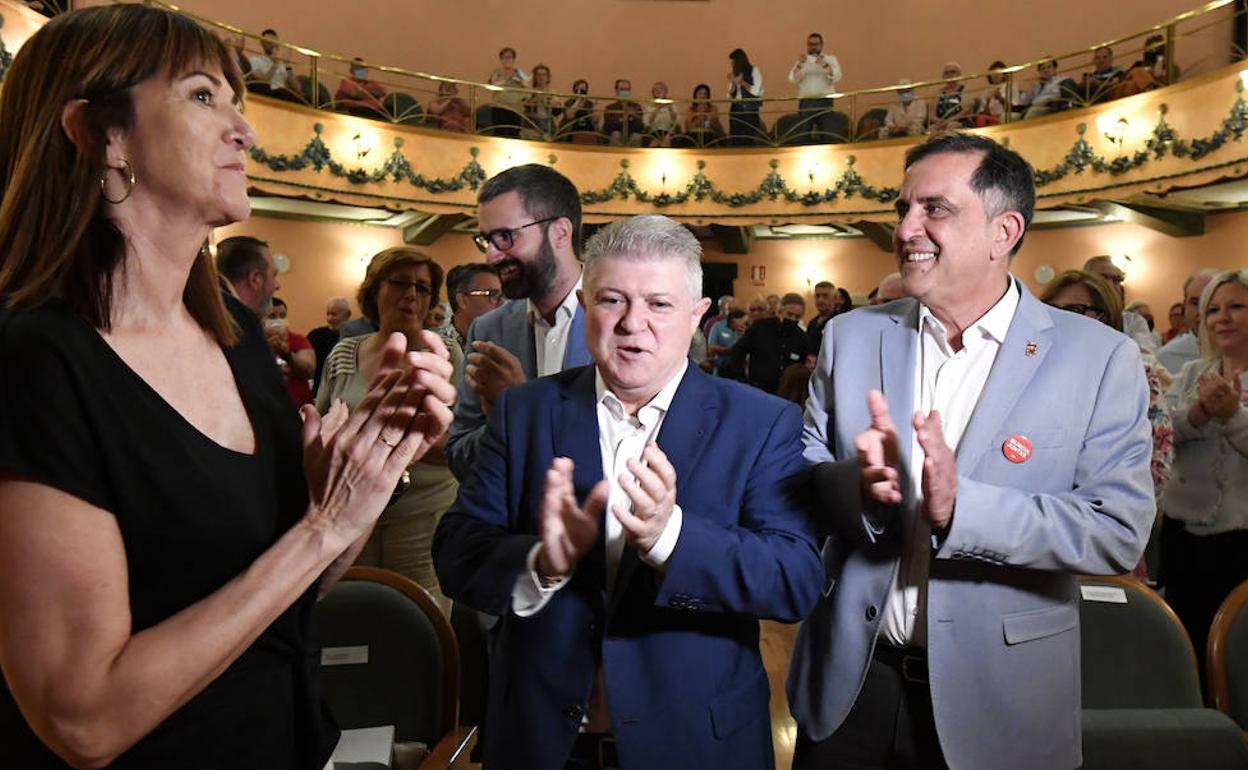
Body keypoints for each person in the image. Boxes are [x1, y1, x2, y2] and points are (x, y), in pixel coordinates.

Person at [0, 7, 455, 768]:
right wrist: (319, 529)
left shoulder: (236, 343)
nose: (243, 129)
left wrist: (358, 488)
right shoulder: (35, 364)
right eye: (204, 96)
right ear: (99, 135)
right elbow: (83, 719)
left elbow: (280, 602)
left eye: (237, 101)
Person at [788, 134, 1154, 770]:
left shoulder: (1097, 359)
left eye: (935, 209)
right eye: (903, 208)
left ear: (1003, 231)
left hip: (1002, 701)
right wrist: (860, 487)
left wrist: (962, 510)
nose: (905, 229)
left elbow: (1117, 532)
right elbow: (803, 480)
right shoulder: (850, 338)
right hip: (851, 687)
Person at [432, 214, 822, 770]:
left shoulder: (761, 423)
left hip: (695, 744)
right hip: (544, 743)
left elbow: (794, 580)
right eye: (612, 300)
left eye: (659, 305)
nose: (632, 324)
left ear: (697, 317)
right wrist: (543, 562)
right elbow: (456, 551)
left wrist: (672, 538)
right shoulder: (526, 411)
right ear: (586, 307)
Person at [318, 248, 463, 618]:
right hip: (351, 512)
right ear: (374, 290)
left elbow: (462, 444)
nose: (411, 295)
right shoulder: (343, 353)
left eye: (422, 288)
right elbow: (322, 429)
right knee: (353, 620)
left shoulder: (444, 354)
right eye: (400, 283)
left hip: (421, 514)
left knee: (421, 619)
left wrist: (401, 441)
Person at [446, 163, 592, 481]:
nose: (492, 257)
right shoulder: (488, 331)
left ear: (560, 232)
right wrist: (503, 416)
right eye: (486, 240)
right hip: (509, 526)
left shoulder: (620, 319)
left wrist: (519, 405)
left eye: (506, 237)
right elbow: (459, 456)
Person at [1041, 270, 1174, 579]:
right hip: (1037, 544)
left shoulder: (1134, 370)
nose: (1076, 320)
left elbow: (1157, 464)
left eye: (1085, 311)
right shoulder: (1026, 374)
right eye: (1062, 309)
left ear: (1109, 319)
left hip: (1103, 544)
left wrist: (1099, 520)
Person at [1160, 269, 1248, 673]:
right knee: (1188, 645)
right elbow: (1164, 435)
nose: (1222, 318)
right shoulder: (1193, 374)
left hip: (1240, 542)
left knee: (1236, 651)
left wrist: (1232, 414)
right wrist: (1197, 413)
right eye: (1213, 309)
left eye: (1236, 307)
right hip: (1184, 535)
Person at [728, 292, 809, 393]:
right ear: (780, 311)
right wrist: (742, 380)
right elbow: (738, 352)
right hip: (759, 389)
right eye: (789, 314)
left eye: (797, 317)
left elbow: (801, 367)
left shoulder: (802, 337)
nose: (792, 319)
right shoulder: (760, 327)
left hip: (786, 393)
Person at [1083, 255, 1159, 352]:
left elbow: (1143, 357)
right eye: (1103, 278)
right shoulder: (1076, 316)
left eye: (1117, 280)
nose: (1110, 285)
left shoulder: (1133, 322)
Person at [1158, 268, 1218, 376]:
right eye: (1195, 303)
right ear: (1185, 306)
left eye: (1212, 301)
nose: (1202, 311)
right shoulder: (1166, 358)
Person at [788, 32, 842, 143]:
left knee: (827, 135)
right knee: (803, 136)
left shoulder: (831, 59)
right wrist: (799, 65)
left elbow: (837, 77)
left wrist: (825, 65)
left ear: (821, 45)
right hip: (806, 102)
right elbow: (792, 79)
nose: (813, 47)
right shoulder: (802, 60)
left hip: (825, 101)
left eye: (816, 44)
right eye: (810, 44)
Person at [265, 297, 316, 408]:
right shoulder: (254, 341)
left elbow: (309, 371)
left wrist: (287, 354)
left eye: (283, 316)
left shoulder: (298, 340)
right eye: (272, 316)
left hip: (299, 407)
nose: (278, 320)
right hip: (269, 407)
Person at [216, 234, 280, 317]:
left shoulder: (210, 317)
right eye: (273, 275)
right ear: (255, 279)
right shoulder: (242, 326)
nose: (277, 285)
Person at [446, 262, 503, 350]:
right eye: (492, 294)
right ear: (463, 300)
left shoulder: (504, 339)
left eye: (502, 296)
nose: (502, 303)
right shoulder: (438, 348)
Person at [307, 295, 351, 397]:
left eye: (334, 314)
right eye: (328, 314)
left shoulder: (357, 336)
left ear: (347, 315)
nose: (330, 318)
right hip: (320, 391)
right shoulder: (315, 336)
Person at [487, 46, 530, 138]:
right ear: (501, 59)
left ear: (514, 59)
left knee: (514, 133)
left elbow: (527, 86)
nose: (507, 59)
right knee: (499, 131)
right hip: (500, 106)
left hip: (516, 108)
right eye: (504, 57)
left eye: (509, 57)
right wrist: (506, 78)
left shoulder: (519, 72)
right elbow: (493, 86)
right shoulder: (497, 71)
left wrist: (519, 80)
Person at [727, 48, 764, 146]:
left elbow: (756, 91)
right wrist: (733, 83)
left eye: (733, 63)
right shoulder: (735, 73)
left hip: (749, 110)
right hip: (736, 109)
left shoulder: (754, 71)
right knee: (736, 139)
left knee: (749, 139)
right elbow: (729, 95)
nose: (732, 66)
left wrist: (742, 82)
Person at [521, 64, 560, 140]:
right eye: (538, 74)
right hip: (531, 126)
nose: (541, 77)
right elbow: (524, 105)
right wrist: (535, 98)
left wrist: (549, 102)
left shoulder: (553, 93)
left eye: (544, 74)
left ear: (548, 77)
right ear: (535, 77)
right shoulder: (529, 92)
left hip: (547, 125)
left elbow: (557, 110)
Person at [602, 78, 645, 147]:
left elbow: (640, 126)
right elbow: (608, 126)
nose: (625, 92)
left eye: (627, 89)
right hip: (616, 134)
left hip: (631, 134)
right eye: (622, 89)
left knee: (636, 137)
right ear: (616, 91)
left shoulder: (636, 106)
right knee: (616, 135)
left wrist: (633, 116)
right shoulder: (610, 108)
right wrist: (623, 119)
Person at [930, 62, 971, 131]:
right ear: (943, 76)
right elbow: (932, 115)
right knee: (932, 129)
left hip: (960, 122)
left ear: (959, 74)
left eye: (953, 72)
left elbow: (966, 110)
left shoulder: (964, 90)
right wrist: (939, 121)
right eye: (947, 73)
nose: (950, 75)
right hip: (942, 122)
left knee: (951, 126)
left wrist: (948, 121)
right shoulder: (939, 93)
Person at [643, 81, 680, 147]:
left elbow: (676, 121)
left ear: (666, 92)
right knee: (654, 143)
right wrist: (658, 108)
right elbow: (648, 122)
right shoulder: (649, 108)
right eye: (655, 89)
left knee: (666, 141)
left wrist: (670, 107)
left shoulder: (672, 106)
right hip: (654, 133)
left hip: (668, 132)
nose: (658, 91)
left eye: (661, 88)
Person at [972, 61, 1009, 127]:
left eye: (998, 73)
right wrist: (987, 102)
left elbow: (1013, 108)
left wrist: (1000, 99)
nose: (995, 75)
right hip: (989, 117)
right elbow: (984, 113)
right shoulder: (986, 91)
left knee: (982, 119)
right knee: (981, 118)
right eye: (993, 73)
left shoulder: (1010, 87)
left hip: (1003, 116)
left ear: (1004, 75)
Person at [806, 281, 836, 354]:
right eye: (817, 296)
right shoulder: (812, 323)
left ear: (834, 298)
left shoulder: (838, 321)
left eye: (825, 296)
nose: (820, 300)